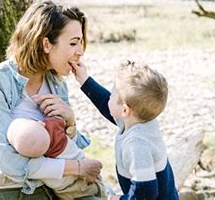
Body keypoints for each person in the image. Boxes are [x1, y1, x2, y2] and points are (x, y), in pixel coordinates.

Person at [0, 0, 104, 199]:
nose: (80, 51)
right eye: (74, 42)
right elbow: (9, 163)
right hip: (9, 191)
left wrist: (70, 121)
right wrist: (75, 168)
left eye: (81, 42)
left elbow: (65, 147)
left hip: (56, 190)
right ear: (46, 44)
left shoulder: (57, 84)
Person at [70, 60, 179, 199]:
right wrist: (84, 80)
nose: (109, 96)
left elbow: (145, 193)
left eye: (112, 94)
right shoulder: (140, 119)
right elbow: (108, 106)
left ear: (125, 110)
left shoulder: (137, 144)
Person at [0, 117, 106, 199]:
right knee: (100, 192)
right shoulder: (53, 127)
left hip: (70, 192)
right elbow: (63, 122)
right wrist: (70, 123)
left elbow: (6, 175)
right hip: (85, 175)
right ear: (41, 124)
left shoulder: (37, 162)